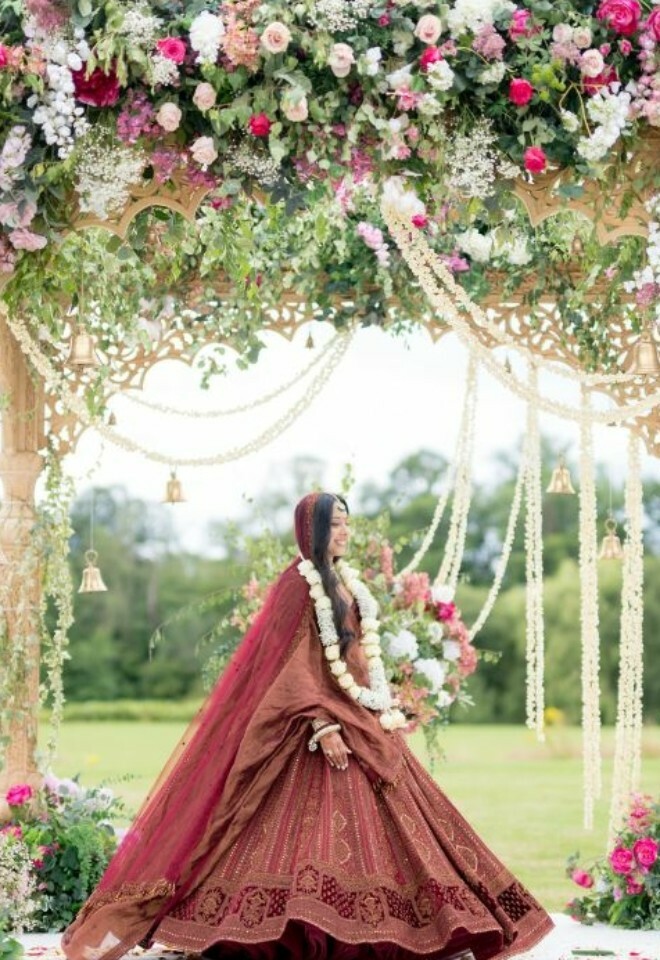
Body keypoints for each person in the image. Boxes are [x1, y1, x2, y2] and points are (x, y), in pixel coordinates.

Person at [63, 492, 553, 960]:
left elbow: (353, 660)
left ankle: (404, 926)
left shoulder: (344, 581)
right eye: (333, 524)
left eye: (345, 522)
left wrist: (384, 703)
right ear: (310, 531)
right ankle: (290, 931)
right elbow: (290, 666)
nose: (343, 531)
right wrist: (321, 722)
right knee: (297, 836)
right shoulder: (298, 585)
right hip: (312, 728)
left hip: (356, 715)